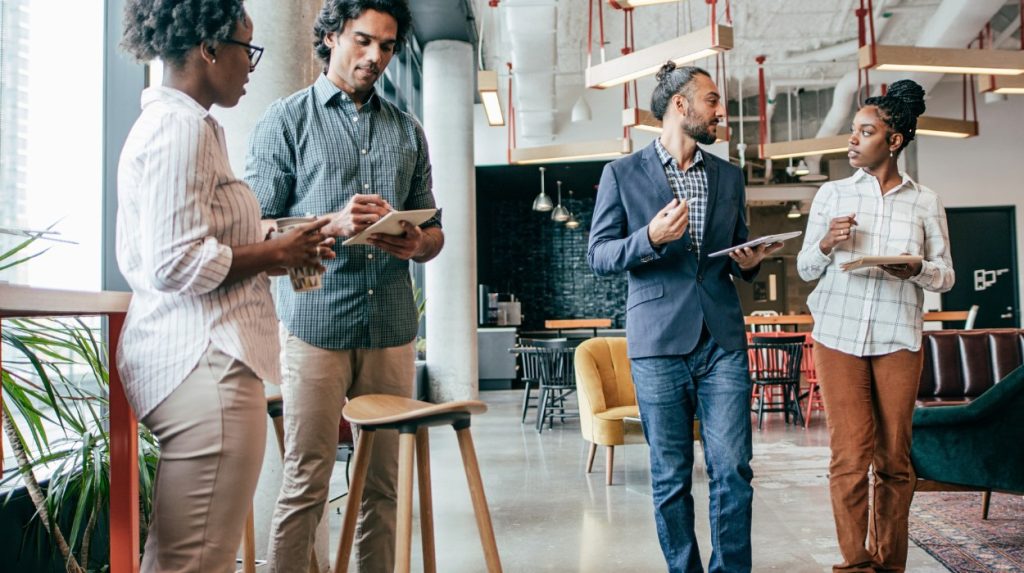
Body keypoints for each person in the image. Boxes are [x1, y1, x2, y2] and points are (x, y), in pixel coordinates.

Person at [117, 1, 334, 571]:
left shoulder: (189, 126)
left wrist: (275, 251)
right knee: (197, 561)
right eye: (247, 49)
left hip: (202, 364)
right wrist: (275, 252)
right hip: (205, 363)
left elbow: (192, 243)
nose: (251, 66)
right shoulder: (180, 128)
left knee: (182, 557)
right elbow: (174, 262)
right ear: (210, 48)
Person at [245, 1, 443, 571]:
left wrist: (416, 242)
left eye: (387, 46)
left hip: (391, 328)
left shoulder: (408, 131)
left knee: (383, 484)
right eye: (363, 40)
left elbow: (436, 233)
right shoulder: (285, 120)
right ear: (331, 36)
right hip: (314, 323)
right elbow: (256, 229)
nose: (376, 56)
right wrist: (330, 224)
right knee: (306, 479)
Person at [588, 62, 781, 573]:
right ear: (681, 105)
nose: (720, 112)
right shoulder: (621, 174)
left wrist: (751, 262)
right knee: (670, 476)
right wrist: (649, 238)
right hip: (657, 343)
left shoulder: (729, 176)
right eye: (712, 101)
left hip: (722, 339)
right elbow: (599, 255)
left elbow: (737, 250)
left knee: (733, 469)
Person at [797, 79, 954, 573]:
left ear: (894, 141)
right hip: (838, 337)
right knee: (849, 457)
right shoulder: (832, 193)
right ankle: (856, 564)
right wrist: (826, 243)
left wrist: (916, 270)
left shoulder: (925, 201)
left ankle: (890, 565)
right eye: (853, 130)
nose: (853, 139)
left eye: (865, 132)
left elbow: (945, 274)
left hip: (897, 337)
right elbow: (805, 268)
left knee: (894, 461)